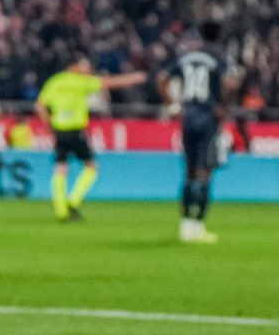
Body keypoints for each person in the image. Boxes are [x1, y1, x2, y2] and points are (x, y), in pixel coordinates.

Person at [35, 57, 146, 221]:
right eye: (83, 66)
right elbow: (110, 83)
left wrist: (49, 126)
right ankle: (73, 200)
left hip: (59, 130)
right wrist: (135, 78)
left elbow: (39, 106)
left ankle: (60, 209)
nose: (86, 69)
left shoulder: (55, 81)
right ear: (74, 66)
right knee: (91, 167)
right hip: (76, 130)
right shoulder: (82, 82)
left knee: (60, 168)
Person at [158, 22, 239, 244]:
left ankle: (185, 226)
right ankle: (198, 227)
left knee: (189, 172)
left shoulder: (186, 56)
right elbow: (231, 84)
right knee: (205, 172)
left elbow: (162, 78)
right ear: (220, 35)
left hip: (187, 117)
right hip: (207, 118)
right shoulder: (220, 58)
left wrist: (172, 106)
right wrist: (224, 107)